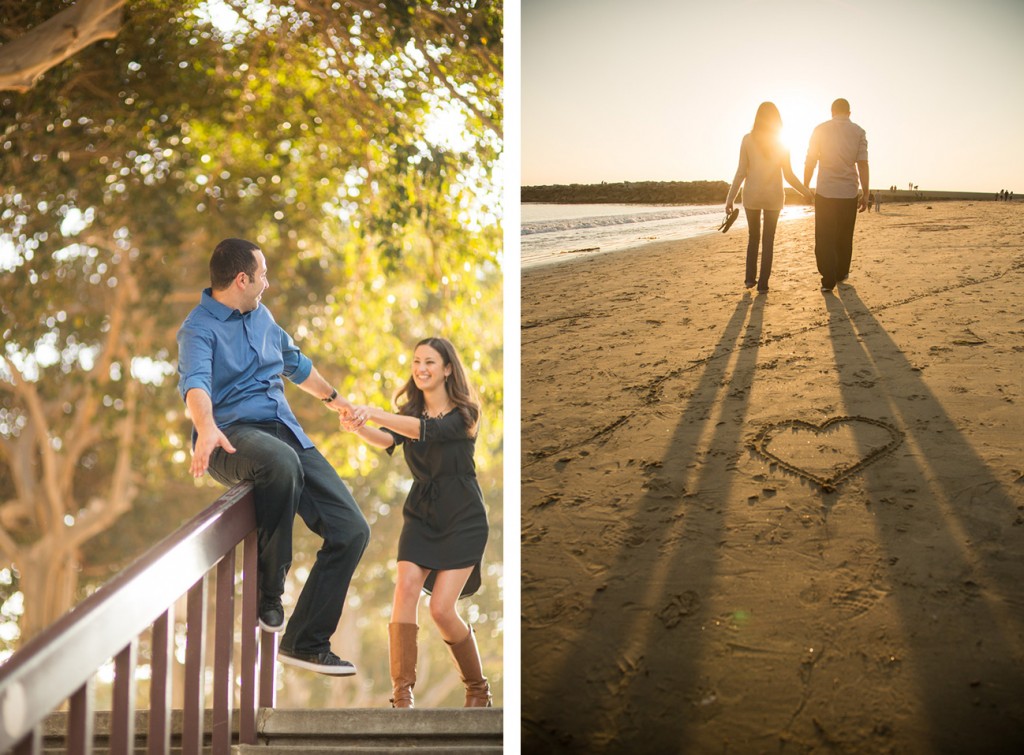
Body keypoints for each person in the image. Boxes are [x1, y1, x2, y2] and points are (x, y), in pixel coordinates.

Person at [177, 237, 370, 676]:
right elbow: (196, 385)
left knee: (352, 530)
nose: (268, 281)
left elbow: (295, 363)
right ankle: (270, 590)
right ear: (242, 279)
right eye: (262, 274)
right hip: (232, 438)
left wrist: (336, 400)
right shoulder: (198, 329)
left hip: (286, 432)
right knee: (279, 463)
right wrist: (206, 427)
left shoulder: (261, 316)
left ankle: (306, 642)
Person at [340, 337, 491, 708]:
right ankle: (401, 692)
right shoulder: (408, 411)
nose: (421, 369)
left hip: (463, 515)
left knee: (441, 609)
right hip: (421, 511)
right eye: (416, 362)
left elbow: (426, 432)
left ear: (447, 369)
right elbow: (386, 439)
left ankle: (477, 688)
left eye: (430, 362)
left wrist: (372, 411)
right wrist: (357, 424)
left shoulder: (465, 413)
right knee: (405, 586)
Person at [725, 101, 814, 293]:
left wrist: (730, 198)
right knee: (768, 240)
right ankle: (763, 284)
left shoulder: (748, 139)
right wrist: (806, 191)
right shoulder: (782, 143)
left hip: (752, 196)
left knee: (753, 237)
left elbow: (741, 172)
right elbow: (789, 175)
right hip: (773, 197)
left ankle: (750, 279)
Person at [804, 98, 869, 292]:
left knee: (824, 236)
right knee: (844, 235)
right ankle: (841, 273)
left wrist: (805, 186)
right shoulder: (859, 131)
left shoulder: (820, 129)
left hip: (825, 191)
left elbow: (811, 160)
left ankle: (828, 277)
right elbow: (863, 163)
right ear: (849, 113)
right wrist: (865, 193)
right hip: (849, 191)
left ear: (832, 112)